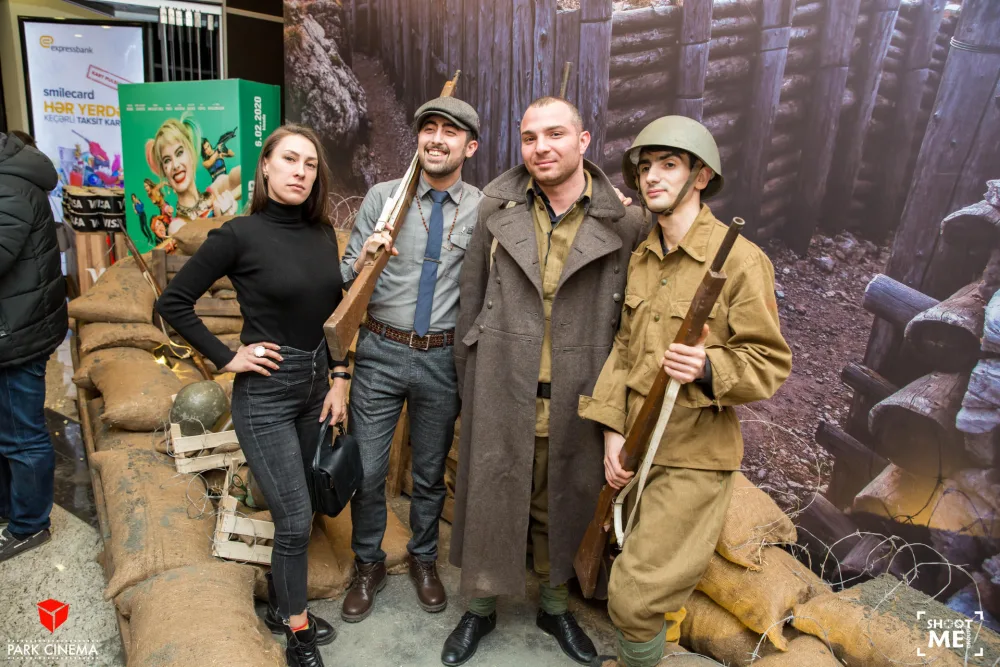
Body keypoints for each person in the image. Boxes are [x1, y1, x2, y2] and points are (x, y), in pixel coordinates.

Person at [579, 116, 792, 667]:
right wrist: (611, 436)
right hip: (636, 447)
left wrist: (707, 366)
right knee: (632, 575)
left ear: (700, 176)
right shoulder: (644, 256)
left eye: (668, 166)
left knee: (635, 594)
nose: (652, 177)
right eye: (646, 167)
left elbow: (770, 363)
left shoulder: (741, 260)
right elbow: (624, 353)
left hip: (695, 455)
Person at [445, 97, 646, 667]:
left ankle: (555, 605)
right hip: (501, 384)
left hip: (580, 394)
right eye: (530, 137)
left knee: (565, 500)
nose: (542, 147)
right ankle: (479, 608)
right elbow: (469, 305)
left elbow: (633, 318)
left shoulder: (625, 220)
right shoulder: (495, 208)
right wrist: (471, 387)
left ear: (583, 142)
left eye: (556, 134)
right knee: (490, 495)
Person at [157, 124, 347, 667]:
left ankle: (283, 604)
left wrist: (339, 377)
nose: (300, 172)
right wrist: (227, 357)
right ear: (264, 167)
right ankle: (297, 633)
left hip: (316, 387)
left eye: (310, 164)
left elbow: (331, 316)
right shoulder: (238, 234)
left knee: (306, 506)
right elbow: (173, 303)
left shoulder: (322, 234)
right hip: (265, 394)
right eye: (289, 160)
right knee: (291, 517)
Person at [338, 97, 482, 624]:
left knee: (427, 475)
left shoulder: (483, 209)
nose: (436, 139)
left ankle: (424, 560)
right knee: (369, 470)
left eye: (450, 132)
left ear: (469, 146)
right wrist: (365, 258)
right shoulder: (384, 198)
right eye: (429, 129)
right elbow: (344, 278)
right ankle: (368, 563)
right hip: (379, 351)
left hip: (442, 360)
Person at [0, 131, 67, 563]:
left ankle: (30, 525)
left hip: (18, 332)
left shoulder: (9, 184)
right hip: (13, 326)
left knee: (22, 436)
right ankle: (12, 509)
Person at [146, 115, 241, 220]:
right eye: (167, 160)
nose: (175, 165)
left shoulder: (216, 189)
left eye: (179, 153)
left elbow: (252, 173)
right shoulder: (177, 226)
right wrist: (222, 223)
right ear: (164, 171)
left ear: (191, 155)